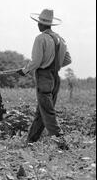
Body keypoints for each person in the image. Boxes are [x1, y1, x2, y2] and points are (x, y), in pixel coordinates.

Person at [17, 9, 72, 150]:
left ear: (41, 24)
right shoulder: (61, 39)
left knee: (47, 112)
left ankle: (62, 143)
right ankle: (30, 142)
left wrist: (24, 71)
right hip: (56, 78)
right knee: (41, 112)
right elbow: (68, 60)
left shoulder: (40, 38)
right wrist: (55, 63)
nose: (38, 26)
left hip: (44, 78)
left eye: (39, 23)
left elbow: (36, 61)